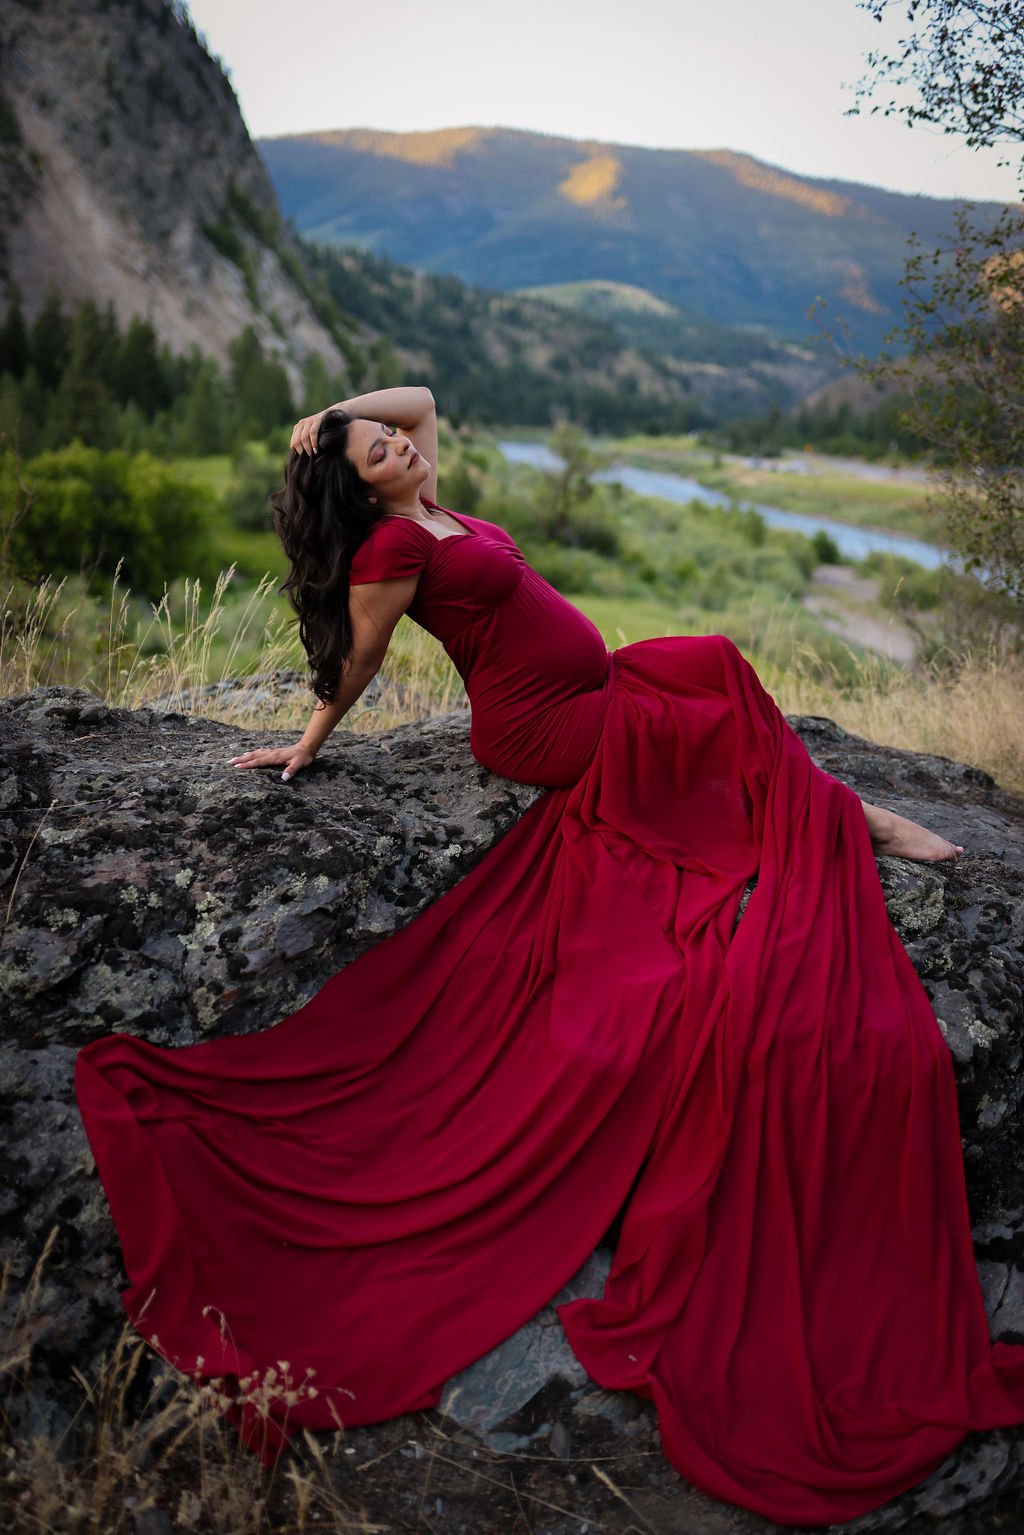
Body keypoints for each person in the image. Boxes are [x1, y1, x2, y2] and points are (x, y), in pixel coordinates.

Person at [75, 385, 1024, 1529]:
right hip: (540, 729)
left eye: (395, 438)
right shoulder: (385, 544)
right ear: (360, 484)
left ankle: (842, 811)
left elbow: (420, 394)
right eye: (375, 447)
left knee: (713, 660)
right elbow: (359, 659)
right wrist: (306, 741)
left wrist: (329, 410)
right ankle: (859, 818)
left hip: (590, 683)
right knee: (714, 720)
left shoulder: (426, 497)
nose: (399, 439)